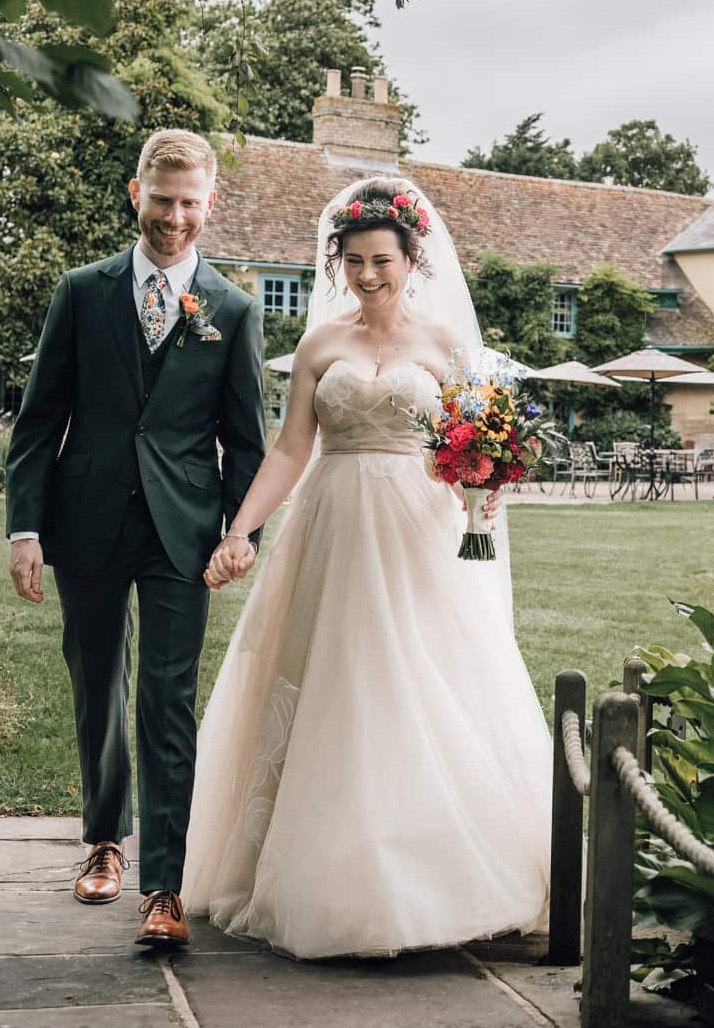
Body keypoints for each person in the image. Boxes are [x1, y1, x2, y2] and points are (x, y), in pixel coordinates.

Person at [182, 176, 542, 960]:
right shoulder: (320, 346)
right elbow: (290, 451)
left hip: (417, 529)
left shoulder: (448, 350)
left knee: (419, 679)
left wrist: (487, 484)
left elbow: (483, 451)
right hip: (332, 522)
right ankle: (321, 866)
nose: (369, 274)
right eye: (354, 261)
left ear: (413, 259)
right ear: (336, 263)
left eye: (383, 259)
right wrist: (240, 527)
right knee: (329, 678)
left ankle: (431, 870)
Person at [4, 129, 267, 946]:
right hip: (85, 522)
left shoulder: (232, 309)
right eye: (163, 199)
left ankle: (164, 887)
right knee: (98, 683)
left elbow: (248, 440)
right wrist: (25, 526)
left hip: (182, 532)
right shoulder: (82, 291)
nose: (176, 218)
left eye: (191, 203)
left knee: (166, 698)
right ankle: (104, 840)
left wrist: (243, 530)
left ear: (209, 202)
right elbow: (40, 416)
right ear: (135, 193)